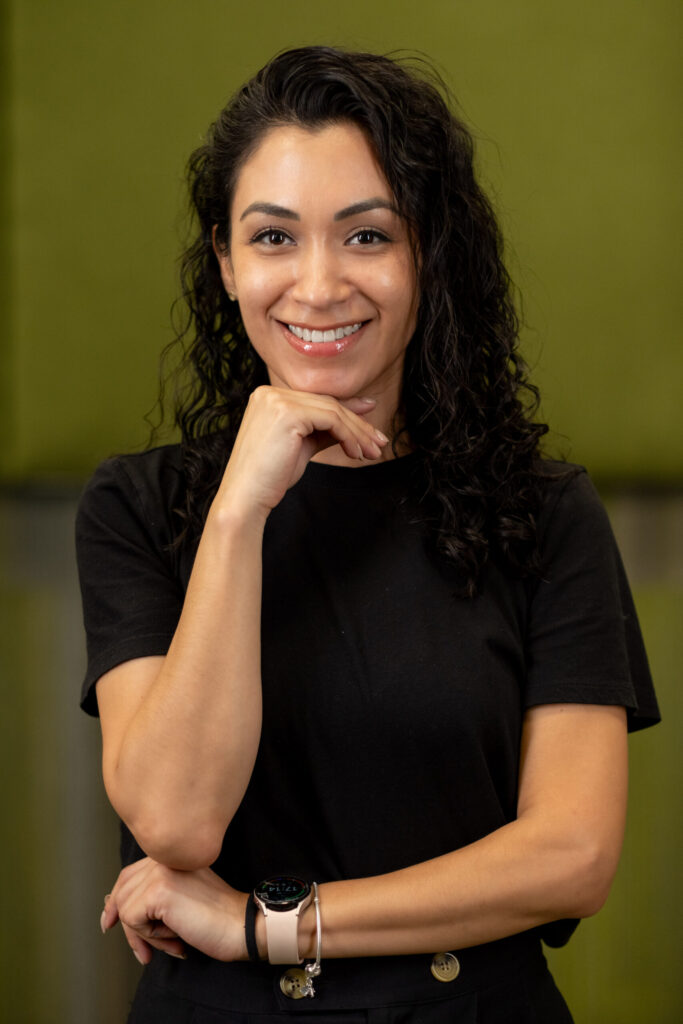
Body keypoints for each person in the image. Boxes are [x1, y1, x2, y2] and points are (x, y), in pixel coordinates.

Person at [76, 45, 659, 1023]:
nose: (316, 285)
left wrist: (266, 924)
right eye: (272, 237)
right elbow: (176, 822)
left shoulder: (543, 510)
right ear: (225, 263)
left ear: (427, 254)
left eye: (366, 236)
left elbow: (571, 855)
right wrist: (238, 511)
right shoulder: (139, 505)